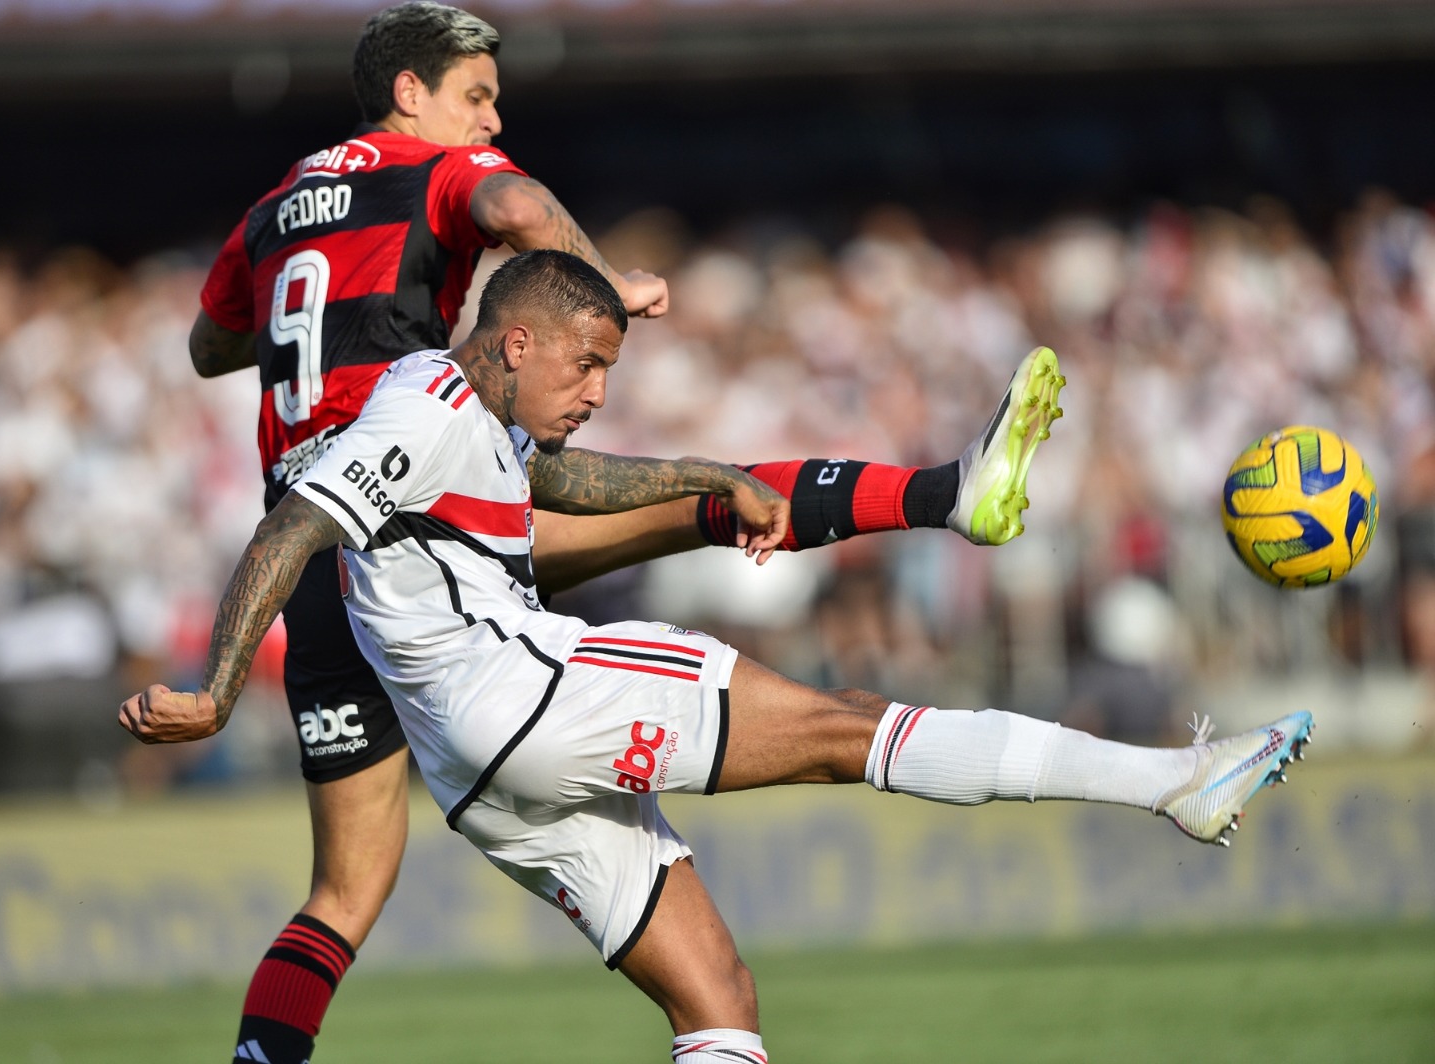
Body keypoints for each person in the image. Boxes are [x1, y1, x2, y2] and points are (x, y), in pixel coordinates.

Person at [124, 250, 1313, 1063]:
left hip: (484, 778)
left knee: (717, 1003)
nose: (596, 389)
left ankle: (1165, 774)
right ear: (515, 336)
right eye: (583, 364)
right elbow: (294, 521)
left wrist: (707, 474)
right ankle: (1172, 785)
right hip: (533, 697)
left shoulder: (478, 419)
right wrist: (218, 689)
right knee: (852, 726)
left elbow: (558, 482)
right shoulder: (419, 406)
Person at [190, 5, 1051, 1061]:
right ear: (410, 96)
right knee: (682, 502)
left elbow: (209, 340)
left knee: (340, 893)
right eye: (477, 96)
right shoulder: (432, 172)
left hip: (319, 550)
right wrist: (609, 288)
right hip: (424, 507)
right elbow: (517, 200)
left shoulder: (273, 207)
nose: (491, 117)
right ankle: (941, 496)